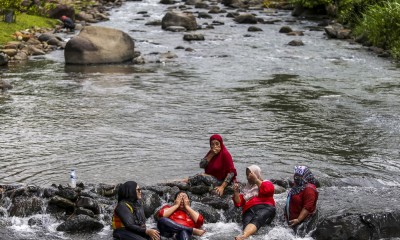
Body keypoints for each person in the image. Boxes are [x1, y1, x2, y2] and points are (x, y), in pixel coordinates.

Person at [232, 165, 276, 240]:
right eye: (247, 175)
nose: (248, 176)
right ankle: (245, 235)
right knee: (246, 223)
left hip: (265, 207)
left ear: (256, 174)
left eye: (250, 174)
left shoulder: (266, 183)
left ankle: (244, 235)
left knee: (258, 217)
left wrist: (256, 180)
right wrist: (236, 193)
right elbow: (239, 203)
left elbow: (269, 190)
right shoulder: (247, 188)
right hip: (249, 210)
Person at [285, 166, 319, 237]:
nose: (296, 177)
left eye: (299, 176)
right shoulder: (298, 185)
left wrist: (298, 220)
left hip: (303, 221)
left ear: (305, 176)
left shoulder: (309, 190)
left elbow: (307, 207)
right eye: (296, 175)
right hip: (291, 219)